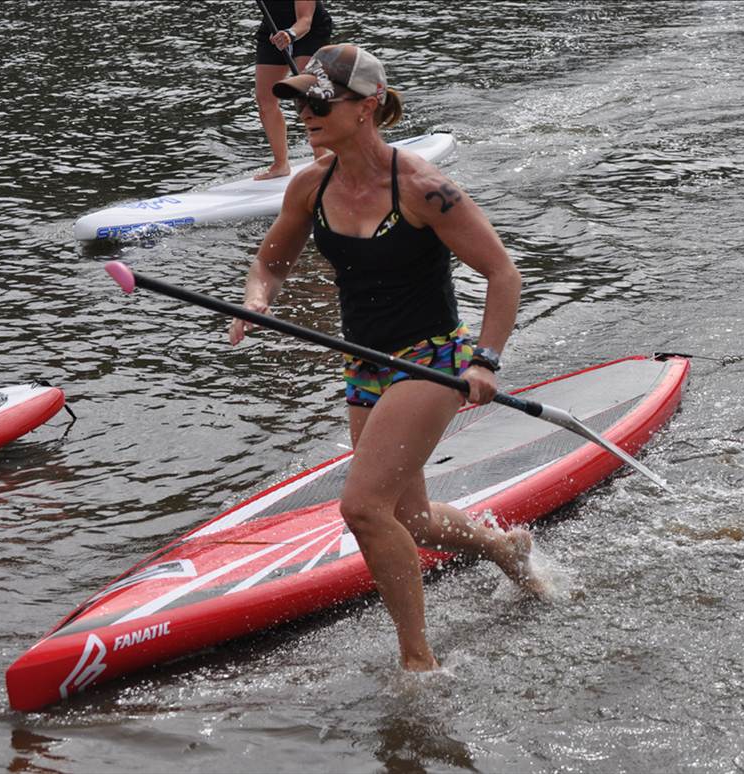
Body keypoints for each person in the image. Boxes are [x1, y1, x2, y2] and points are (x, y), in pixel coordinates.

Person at [229, 44, 543, 671]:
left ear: (366, 107)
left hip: (433, 361)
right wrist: (257, 299)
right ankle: (503, 549)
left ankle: (418, 662)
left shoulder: (425, 189)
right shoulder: (310, 185)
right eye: (299, 103)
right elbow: (270, 262)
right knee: (412, 519)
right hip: (364, 363)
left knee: (363, 509)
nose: (305, 114)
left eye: (320, 103)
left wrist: (485, 361)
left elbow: (503, 275)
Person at [253, 1, 333, 180]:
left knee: (309, 94)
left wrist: (289, 34)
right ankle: (281, 164)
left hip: (309, 31)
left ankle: (322, 159)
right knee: (265, 99)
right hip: (273, 29)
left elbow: (305, 20)